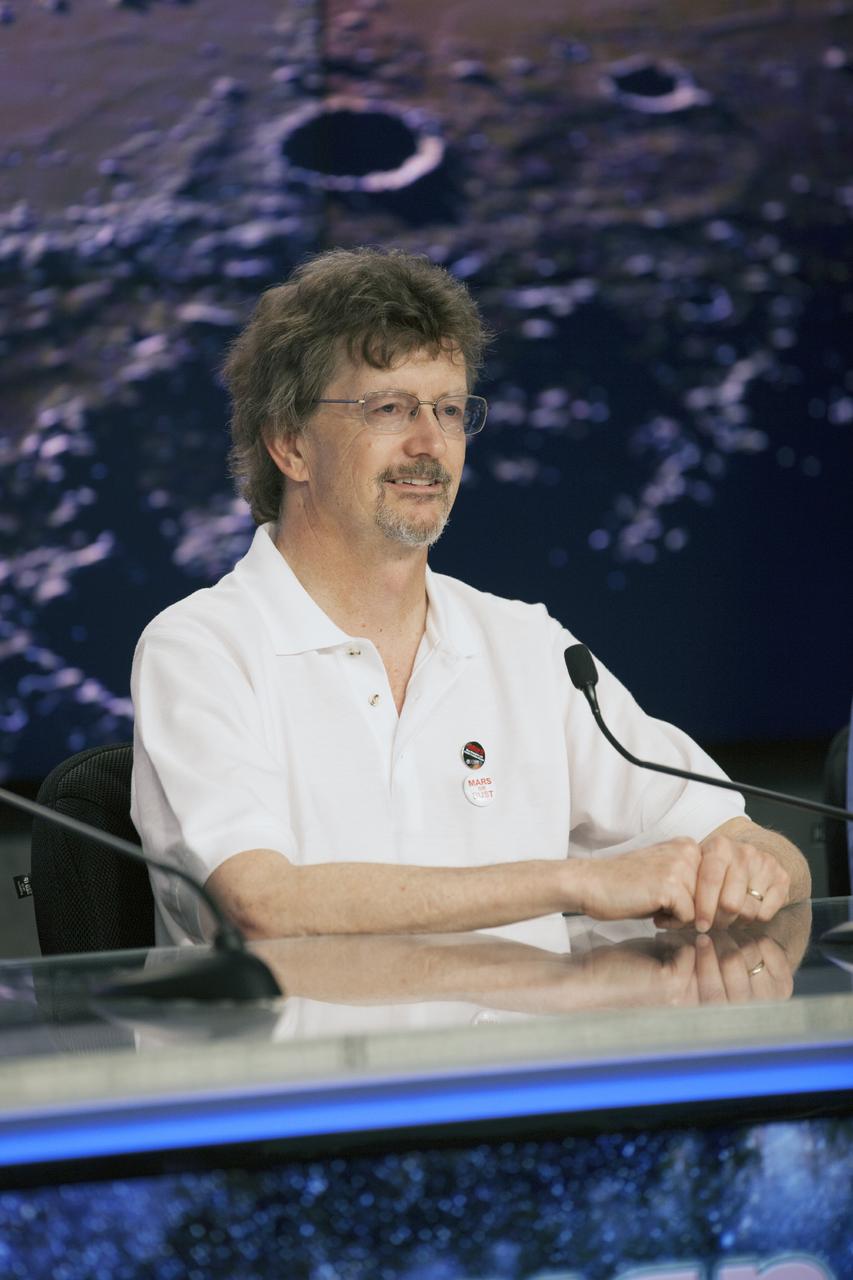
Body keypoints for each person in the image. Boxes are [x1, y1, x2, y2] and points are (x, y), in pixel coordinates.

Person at [130, 247, 810, 946]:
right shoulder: (202, 650)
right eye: (389, 408)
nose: (431, 443)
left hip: (518, 1056)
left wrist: (753, 872)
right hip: (301, 1056)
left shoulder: (528, 647)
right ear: (291, 445)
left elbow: (755, 844)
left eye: (450, 410)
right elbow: (261, 905)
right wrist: (570, 883)